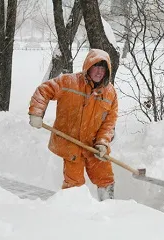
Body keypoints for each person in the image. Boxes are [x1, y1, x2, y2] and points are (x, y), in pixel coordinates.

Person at [28, 49, 118, 201]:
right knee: (74, 184)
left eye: (103, 68)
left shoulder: (110, 94)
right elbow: (44, 90)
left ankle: (108, 209)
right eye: (96, 66)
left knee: (105, 177)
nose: (99, 72)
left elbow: (109, 123)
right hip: (71, 143)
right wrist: (36, 113)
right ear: (88, 66)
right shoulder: (69, 82)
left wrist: (102, 143)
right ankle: (72, 215)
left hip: (93, 145)